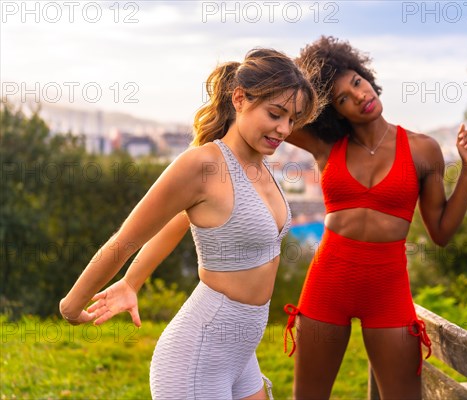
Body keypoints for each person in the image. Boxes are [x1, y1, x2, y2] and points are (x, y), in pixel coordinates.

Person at [59, 48, 319, 400]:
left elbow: (178, 223)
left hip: (240, 356)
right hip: (196, 359)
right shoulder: (200, 164)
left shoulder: (260, 164)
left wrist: (132, 282)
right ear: (240, 99)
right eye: (276, 114)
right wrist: (72, 306)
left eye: (293, 119)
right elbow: (126, 239)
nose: (284, 129)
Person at [282, 36, 467, 399]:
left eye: (358, 82)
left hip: (387, 288)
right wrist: (306, 83)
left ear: (368, 78)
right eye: (343, 97)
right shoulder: (325, 146)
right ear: (333, 111)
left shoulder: (423, 149)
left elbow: (440, 231)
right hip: (328, 283)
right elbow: (280, 106)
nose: (359, 96)